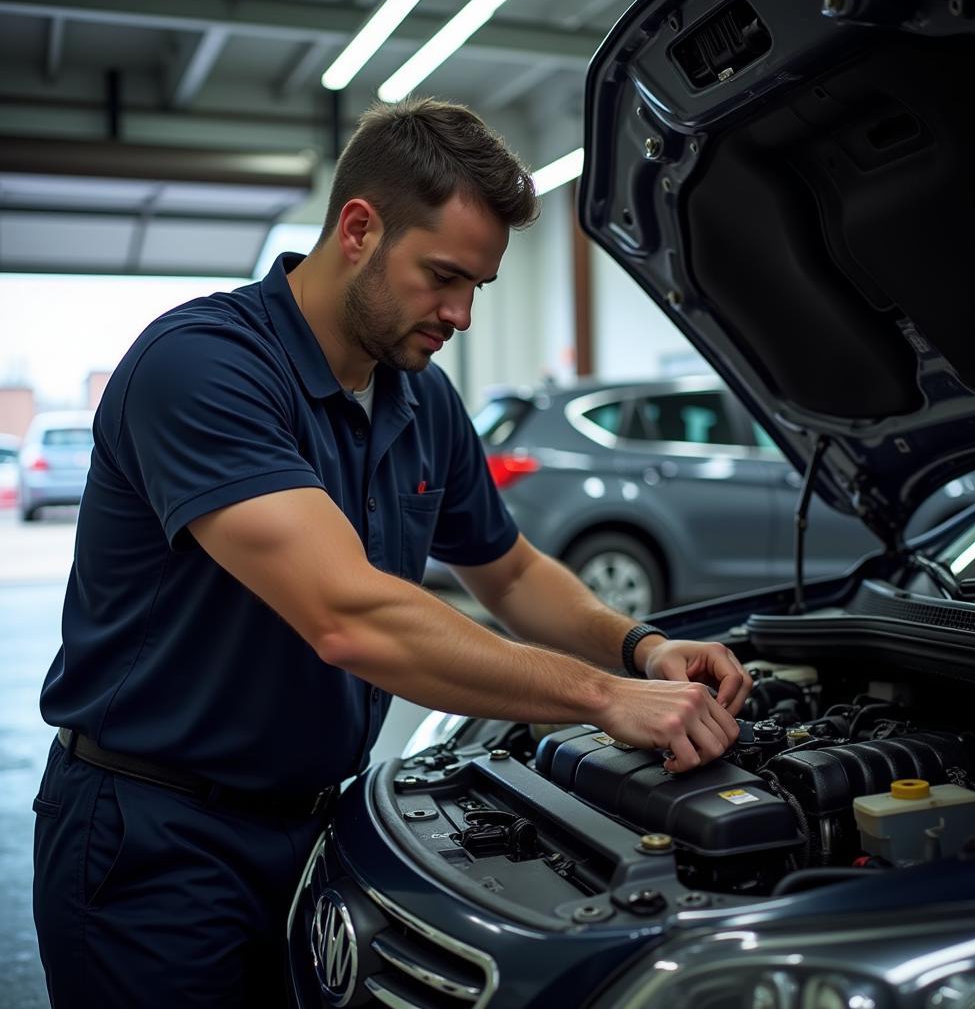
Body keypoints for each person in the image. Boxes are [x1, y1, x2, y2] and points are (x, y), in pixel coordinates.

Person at [32, 97, 752, 1007]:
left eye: (478, 288)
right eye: (443, 277)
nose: (460, 314)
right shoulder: (204, 366)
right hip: (156, 835)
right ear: (360, 229)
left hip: (319, 826)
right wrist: (608, 699)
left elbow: (514, 570)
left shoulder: (421, 400)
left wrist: (639, 647)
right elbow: (350, 618)